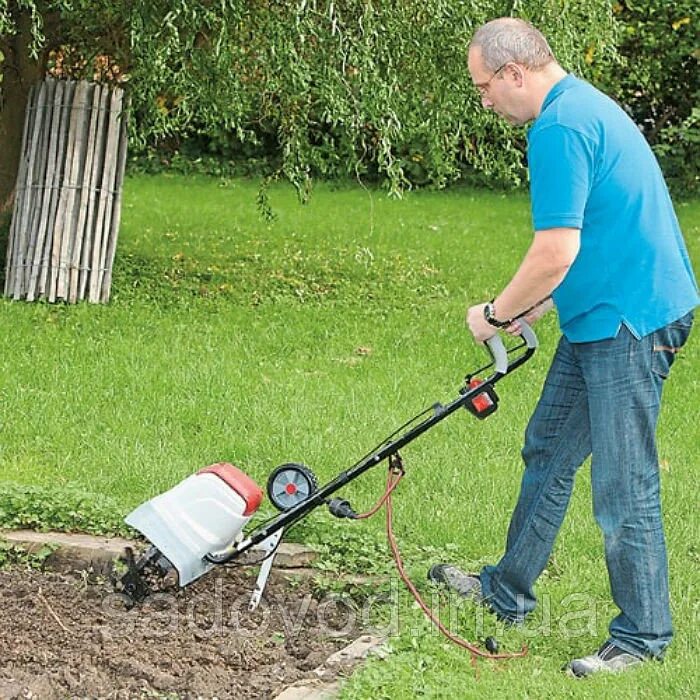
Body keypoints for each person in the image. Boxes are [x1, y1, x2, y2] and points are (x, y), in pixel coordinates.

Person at [428, 17, 699, 677]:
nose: (486, 100)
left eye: (485, 87)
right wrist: (543, 305)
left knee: (621, 479)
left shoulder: (558, 126)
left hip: (631, 322)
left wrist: (496, 312)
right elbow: (600, 228)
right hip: (602, 311)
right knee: (548, 449)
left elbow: (556, 247)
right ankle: (506, 591)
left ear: (514, 73)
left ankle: (642, 638)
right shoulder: (580, 106)